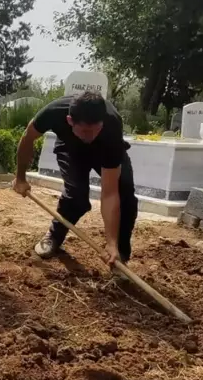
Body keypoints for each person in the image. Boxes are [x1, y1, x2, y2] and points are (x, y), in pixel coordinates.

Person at [13, 91, 138, 265]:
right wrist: (20, 177)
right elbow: (28, 137)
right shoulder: (53, 112)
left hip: (105, 148)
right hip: (70, 148)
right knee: (76, 196)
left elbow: (110, 193)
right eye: (85, 131)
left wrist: (110, 243)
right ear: (70, 121)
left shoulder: (111, 126)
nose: (91, 136)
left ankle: (118, 254)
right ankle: (54, 236)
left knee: (126, 195)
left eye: (95, 130)